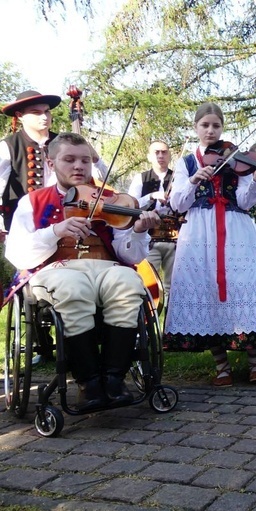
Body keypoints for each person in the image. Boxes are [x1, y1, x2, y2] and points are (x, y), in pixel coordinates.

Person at [5, 132, 161, 411]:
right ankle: (88, 383)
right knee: (72, 288)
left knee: (128, 282)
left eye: (85, 160)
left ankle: (114, 379)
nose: (78, 166)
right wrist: (55, 231)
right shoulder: (33, 201)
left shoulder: (109, 200)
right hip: (56, 268)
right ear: (51, 164)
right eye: (69, 159)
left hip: (106, 266)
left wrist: (137, 231)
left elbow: (131, 256)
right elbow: (17, 253)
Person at [163, 102, 256, 386]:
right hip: (199, 233)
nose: (211, 130)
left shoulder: (236, 160)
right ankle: (221, 366)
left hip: (235, 230)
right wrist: (192, 181)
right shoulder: (187, 161)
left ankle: (255, 362)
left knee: (242, 285)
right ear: (196, 128)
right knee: (206, 287)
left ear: (222, 127)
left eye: (216, 125)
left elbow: (246, 202)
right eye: (205, 125)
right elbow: (177, 203)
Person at [0, 90, 108, 233]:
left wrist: (95, 159)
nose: (44, 117)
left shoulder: (64, 143)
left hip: (67, 217)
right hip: (25, 222)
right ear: (20, 116)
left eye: (46, 111)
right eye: (36, 112)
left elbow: (100, 180)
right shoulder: (9, 146)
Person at [127, 140, 180, 296]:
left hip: (175, 238)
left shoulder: (178, 177)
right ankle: (151, 318)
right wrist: (151, 196)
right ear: (149, 157)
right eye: (156, 152)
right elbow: (131, 205)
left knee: (173, 287)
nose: (160, 156)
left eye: (164, 152)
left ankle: (172, 320)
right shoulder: (141, 178)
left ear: (169, 155)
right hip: (150, 239)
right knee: (149, 284)